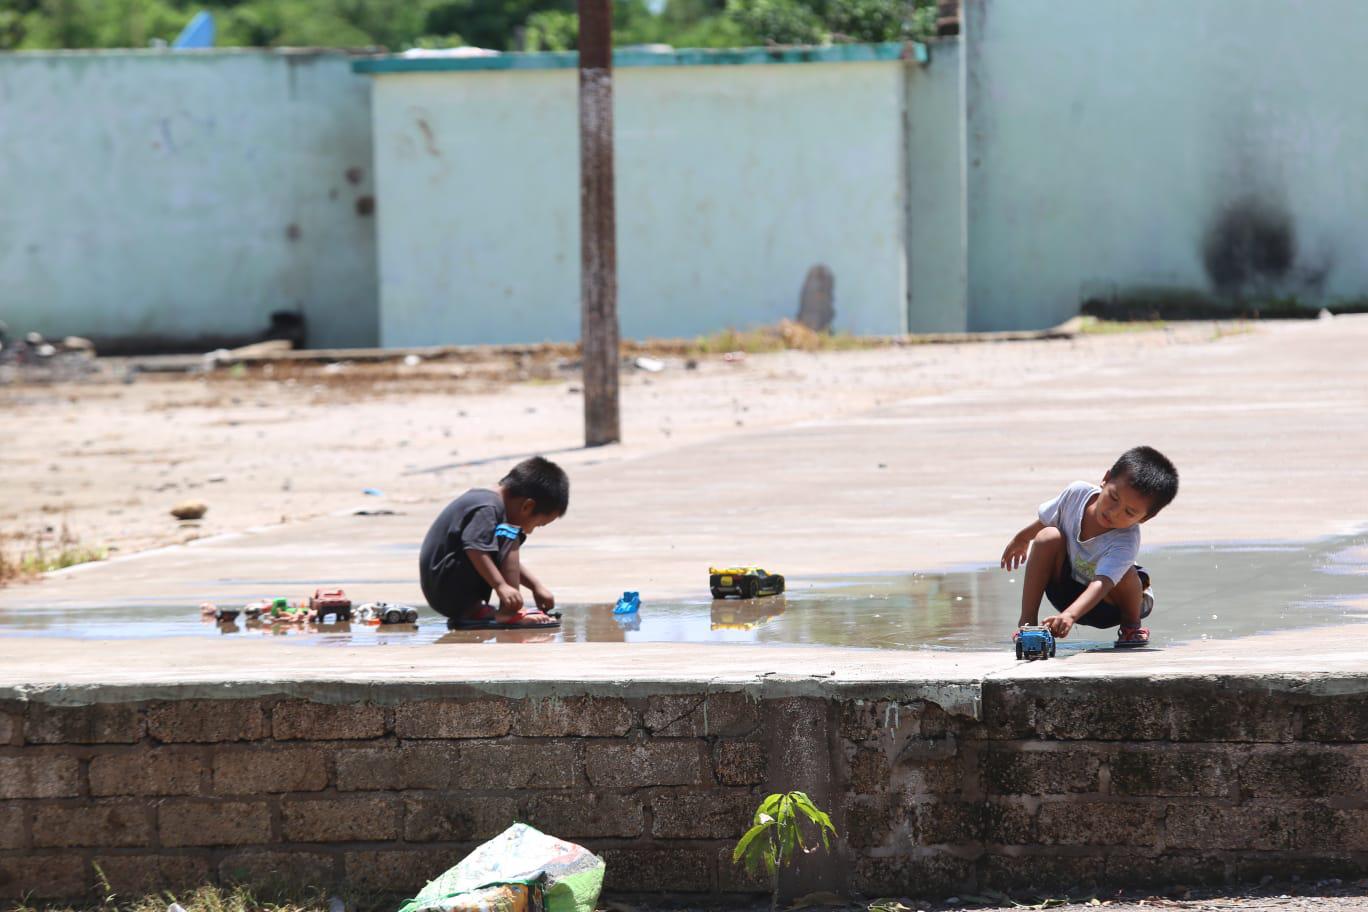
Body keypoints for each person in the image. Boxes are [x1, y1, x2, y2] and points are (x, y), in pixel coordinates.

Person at [1000, 446, 1179, 647]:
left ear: (1145, 518)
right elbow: (1046, 520)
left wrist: (1070, 615)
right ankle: (1027, 624)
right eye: (1113, 497)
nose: (1114, 512)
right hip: (1066, 589)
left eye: (1129, 512)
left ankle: (1132, 627)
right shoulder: (1076, 494)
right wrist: (1022, 539)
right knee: (1048, 536)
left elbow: (1102, 583)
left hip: (1108, 606)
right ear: (1106, 479)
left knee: (1127, 574)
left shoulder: (1126, 540)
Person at [419, 456, 569, 628]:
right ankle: (510, 614)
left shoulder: (486, 503)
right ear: (527, 506)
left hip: (446, 590)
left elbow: (492, 554)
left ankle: (477, 611)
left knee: (504, 536)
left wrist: (535, 586)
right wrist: (501, 586)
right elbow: (475, 548)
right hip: (447, 589)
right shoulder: (487, 508)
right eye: (538, 524)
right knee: (511, 533)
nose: (530, 531)